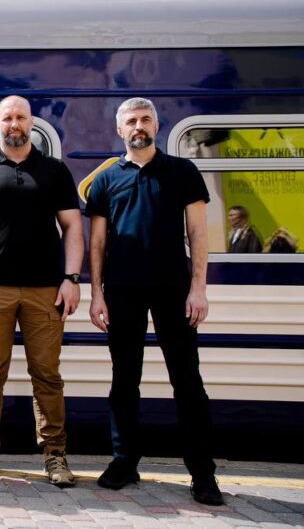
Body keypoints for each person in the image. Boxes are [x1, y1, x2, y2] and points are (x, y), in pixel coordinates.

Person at [86, 97, 223, 506]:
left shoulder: (182, 171)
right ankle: (125, 461)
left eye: (145, 119)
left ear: (157, 125)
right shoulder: (107, 180)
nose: (139, 125)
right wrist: (96, 294)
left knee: (187, 382)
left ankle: (203, 474)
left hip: (174, 291)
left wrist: (199, 288)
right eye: (131, 120)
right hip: (123, 291)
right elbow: (97, 242)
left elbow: (199, 233)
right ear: (119, 129)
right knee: (124, 382)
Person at [0, 95, 83, 487]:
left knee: (46, 373)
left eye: (21, 117)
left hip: (46, 290)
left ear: (32, 124)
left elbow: (73, 227)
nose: (14, 124)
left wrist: (72, 278)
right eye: (7, 117)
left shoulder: (55, 171)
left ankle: (55, 455)